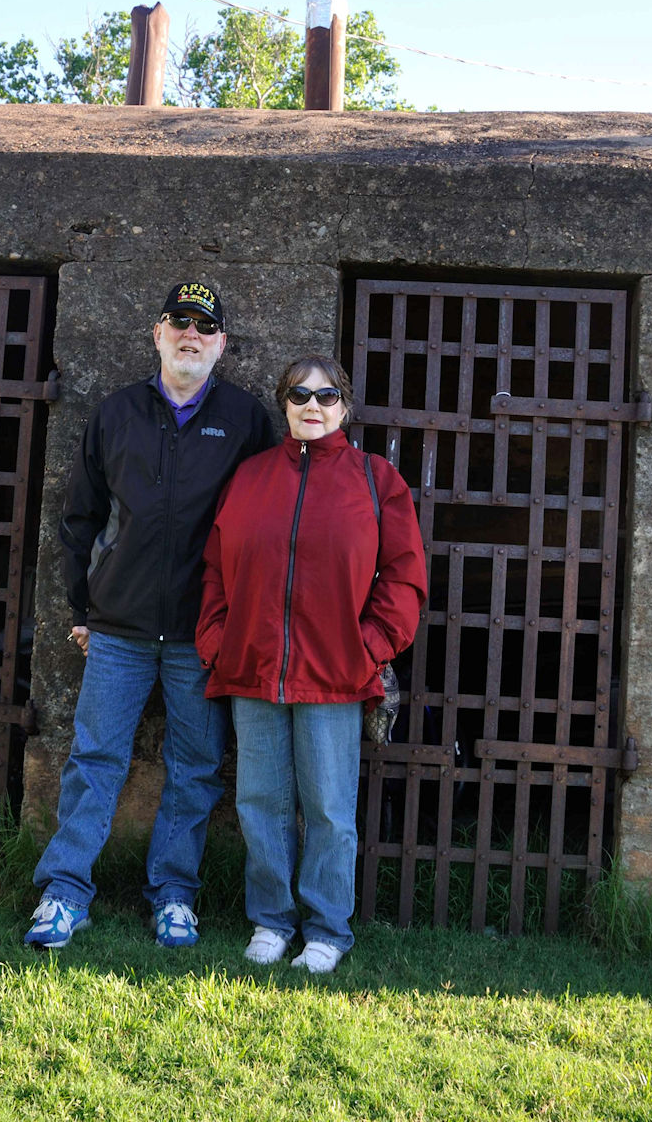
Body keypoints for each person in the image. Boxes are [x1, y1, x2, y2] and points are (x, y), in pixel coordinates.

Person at [24, 281, 277, 950]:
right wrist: (85, 607)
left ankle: (174, 896)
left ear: (221, 343)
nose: (190, 336)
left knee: (195, 767)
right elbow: (79, 518)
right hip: (119, 629)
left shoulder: (247, 421)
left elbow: (261, 529)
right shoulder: (117, 413)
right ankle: (64, 892)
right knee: (94, 759)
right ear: (157, 334)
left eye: (204, 327)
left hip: (203, 634)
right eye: (178, 324)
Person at [196, 355, 426, 973]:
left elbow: (404, 578)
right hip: (253, 667)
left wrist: (372, 645)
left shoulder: (377, 481)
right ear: (285, 405)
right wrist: (218, 639)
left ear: (344, 407)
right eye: (299, 396)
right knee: (260, 801)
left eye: (326, 396)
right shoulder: (250, 477)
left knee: (327, 807)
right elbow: (216, 567)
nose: (312, 406)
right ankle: (271, 920)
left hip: (334, 675)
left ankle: (327, 929)